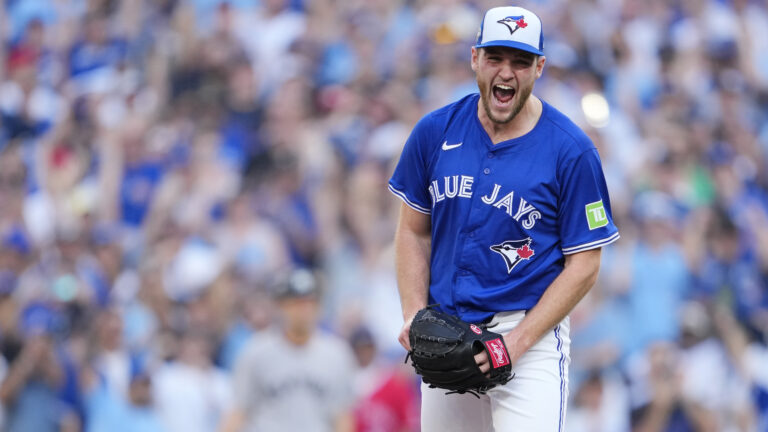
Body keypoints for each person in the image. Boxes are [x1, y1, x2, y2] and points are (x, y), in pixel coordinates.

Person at [388, 5, 619, 431]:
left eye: (521, 61)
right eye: (495, 57)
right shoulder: (435, 131)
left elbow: (585, 264)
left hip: (526, 338)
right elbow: (413, 231)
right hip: (448, 331)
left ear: (540, 67)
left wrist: (515, 344)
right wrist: (413, 312)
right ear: (475, 58)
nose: (506, 72)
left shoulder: (571, 151)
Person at [220, 268, 356, 432]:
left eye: (310, 302)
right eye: (296, 303)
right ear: (281, 306)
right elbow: (239, 410)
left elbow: (342, 417)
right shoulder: (257, 351)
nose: (304, 310)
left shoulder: (337, 353)